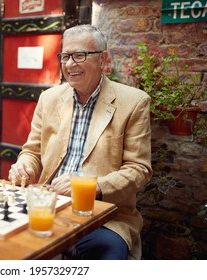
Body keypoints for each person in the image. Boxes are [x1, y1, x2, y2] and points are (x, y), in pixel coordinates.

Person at [8, 25, 152, 260]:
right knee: (5, 248)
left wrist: (90, 186)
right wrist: (25, 164)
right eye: (65, 56)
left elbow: (139, 170)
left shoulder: (134, 102)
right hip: (49, 204)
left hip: (106, 215)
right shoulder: (49, 98)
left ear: (103, 59)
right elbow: (32, 151)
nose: (70, 64)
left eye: (80, 55)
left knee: (103, 254)